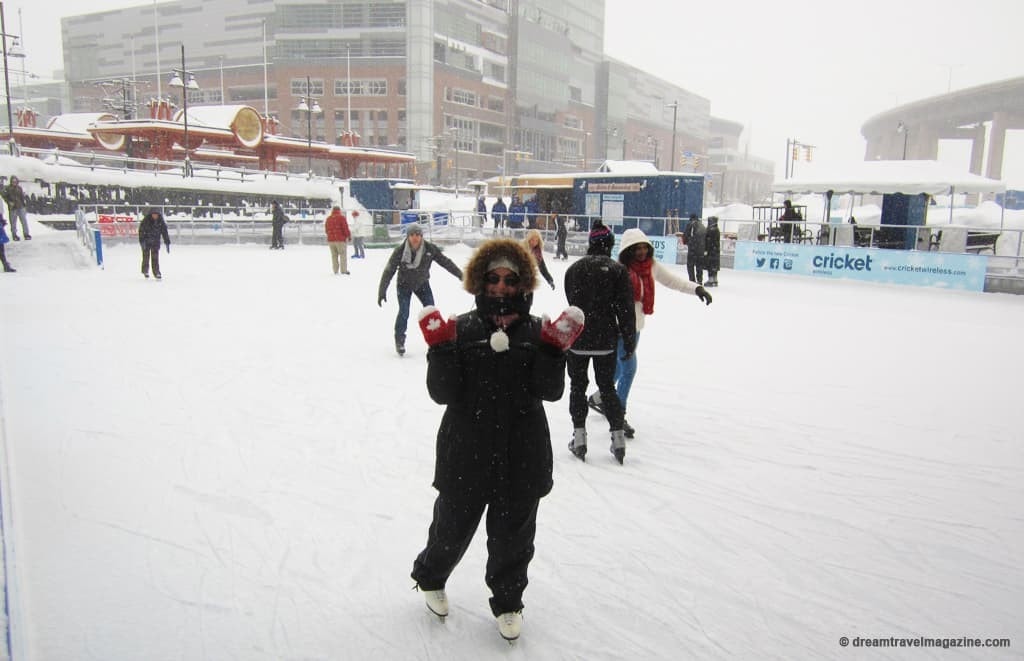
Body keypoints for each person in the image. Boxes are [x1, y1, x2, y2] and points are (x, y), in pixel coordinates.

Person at [410, 238, 583, 643]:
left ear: (523, 282)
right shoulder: (463, 328)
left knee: (513, 540)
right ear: (480, 282)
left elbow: (549, 390)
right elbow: (443, 393)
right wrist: (440, 351)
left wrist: (555, 352)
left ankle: (508, 603)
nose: (501, 287)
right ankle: (431, 577)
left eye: (510, 279)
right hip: (466, 453)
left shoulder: (538, 331)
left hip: (521, 456)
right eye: (493, 279)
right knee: (450, 529)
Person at [588, 228, 712, 437]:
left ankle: (599, 397)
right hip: (618, 329)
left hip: (635, 328)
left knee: (620, 367)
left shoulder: (651, 266)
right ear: (628, 250)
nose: (642, 252)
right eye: (637, 248)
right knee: (629, 369)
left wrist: (697, 288)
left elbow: (673, 281)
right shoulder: (619, 269)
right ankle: (619, 413)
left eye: (645, 247)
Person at [564, 221, 636, 463]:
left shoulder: (573, 270)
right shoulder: (617, 271)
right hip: (606, 339)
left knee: (577, 386)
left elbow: (573, 303)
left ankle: (580, 437)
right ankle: (617, 440)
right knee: (607, 387)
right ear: (609, 245)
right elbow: (626, 310)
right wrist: (628, 341)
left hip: (578, 338)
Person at [377, 223, 463, 356]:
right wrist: (382, 291)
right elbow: (389, 271)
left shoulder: (429, 249)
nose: (415, 238)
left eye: (417, 235)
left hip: (422, 284)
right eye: (412, 235)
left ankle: (437, 340)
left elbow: (445, 262)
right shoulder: (400, 251)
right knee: (404, 312)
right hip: (403, 285)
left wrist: (460, 275)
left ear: (421, 236)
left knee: (431, 311)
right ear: (408, 236)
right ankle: (399, 340)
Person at [138, 208, 171, 280]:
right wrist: (142, 241)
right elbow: (141, 231)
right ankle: (145, 271)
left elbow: (164, 232)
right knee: (146, 257)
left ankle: (156, 272)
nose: (155, 216)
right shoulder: (146, 221)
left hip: (155, 242)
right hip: (146, 242)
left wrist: (167, 242)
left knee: (155, 258)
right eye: (153, 214)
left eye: (156, 215)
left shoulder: (161, 221)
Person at [324, 206, 352, 275]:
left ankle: (335, 270)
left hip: (331, 241)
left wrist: (330, 236)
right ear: (339, 210)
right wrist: (348, 236)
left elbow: (326, 230)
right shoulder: (341, 218)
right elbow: (345, 228)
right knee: (342, 255)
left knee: (334, 256)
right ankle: (343, 271)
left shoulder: (328, 219)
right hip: (340, 240)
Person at [2, 175, 31, 241]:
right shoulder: (8, 188)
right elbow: (4, 196)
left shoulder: (19, 188)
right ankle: (14, 235)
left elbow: (22, 197)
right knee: (13, 222)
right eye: (13, 181)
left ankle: (26, 234)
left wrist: (24, 206)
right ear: (11, 181)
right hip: (12, 208)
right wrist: (9, 202)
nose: (14, 182)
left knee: (24, 221)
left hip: (20, 207)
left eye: (15, 181)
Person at [682, 214, 706, 284]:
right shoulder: (702, 225)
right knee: (699, 265)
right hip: (701, 249)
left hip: (693, 248)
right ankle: (700, 280)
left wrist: (687, 242)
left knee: (690, 265)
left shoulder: (690, 224)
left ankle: (692, 281)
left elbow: (685, 236)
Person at [704, 216, 721, 287]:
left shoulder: (710, 230)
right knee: (714, 265)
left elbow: (708, 241)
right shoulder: (717, 229)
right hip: (716, 250)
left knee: (710, 265)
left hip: (710, 251)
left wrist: (705, 249)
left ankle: (710, 280)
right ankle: (715, 279)